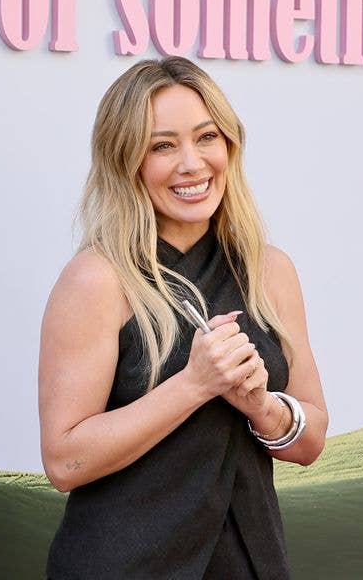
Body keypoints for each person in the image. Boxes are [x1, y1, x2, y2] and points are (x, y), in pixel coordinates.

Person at [38, 56, 328, 579]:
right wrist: (194, 385)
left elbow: (311, 440)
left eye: (206, 137)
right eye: (162, 145)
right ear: (126, 160)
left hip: (250, 563)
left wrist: (263, 407)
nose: (192, 164)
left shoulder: (270, 270)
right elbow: (64, 462)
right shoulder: (96, 280)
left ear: (230, 145)